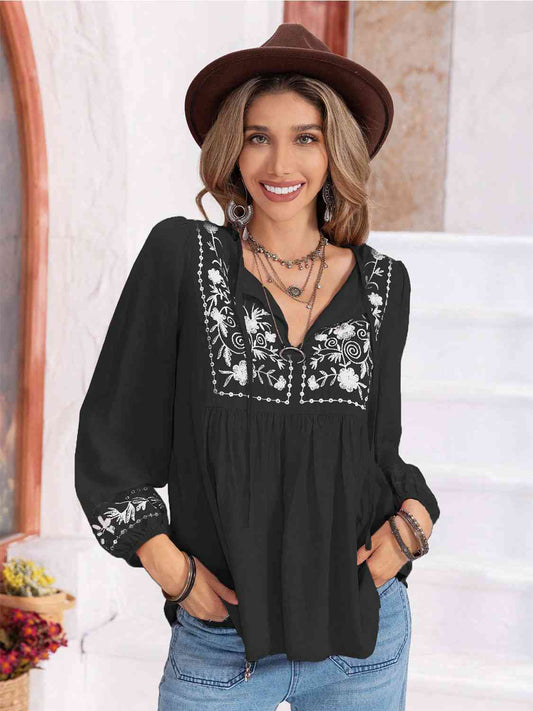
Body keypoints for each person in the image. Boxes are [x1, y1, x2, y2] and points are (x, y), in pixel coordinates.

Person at [74, 23, 440, 710]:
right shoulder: (182, 257)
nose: (280, 162)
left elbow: (375, 450)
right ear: (232, 149)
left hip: (363, 638)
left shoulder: (384, 284)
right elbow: (111, 440)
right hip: (221, 647)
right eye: (257, 136)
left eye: (306, 137)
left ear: (335, 150)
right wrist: (171, 569)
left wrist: (410, 524)